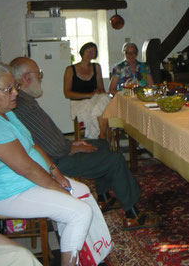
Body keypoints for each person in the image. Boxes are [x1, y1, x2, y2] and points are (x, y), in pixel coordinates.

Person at [10, 57, 161, 231]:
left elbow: (47, 137)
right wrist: (72, 147)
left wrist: (74, 144)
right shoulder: (24, 105)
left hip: (56, 153)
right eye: (39, 74)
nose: (41, 77)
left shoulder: (23, 100)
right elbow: (53, 147)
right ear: (27, 77)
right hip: (55, 162)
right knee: (115, 159)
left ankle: (105, 198)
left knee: (101, 144)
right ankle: (132, 215)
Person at [0, 61, 93, 266]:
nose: (15, 92)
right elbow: (27, 168)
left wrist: (55, 172)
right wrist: (57, 189)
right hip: (9, 193)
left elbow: (33, 145)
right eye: (8, 89)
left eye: (14, 86)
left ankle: (85, 253)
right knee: (80, 211)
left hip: (29, 183)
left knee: (82, 191)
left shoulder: (7, 113)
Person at [63, 42, 110, 139]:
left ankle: (101, 136)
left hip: (94, 99)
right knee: (102, 111)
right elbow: (67, 93)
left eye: (93, 52)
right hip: (78, 102)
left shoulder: (96, 67)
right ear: (82, 52)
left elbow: (101, 88)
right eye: (88, 51)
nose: (90, 53)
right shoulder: (70, 69)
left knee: (105, 99)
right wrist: (88, 95)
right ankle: (102, 136)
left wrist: (100, 93)